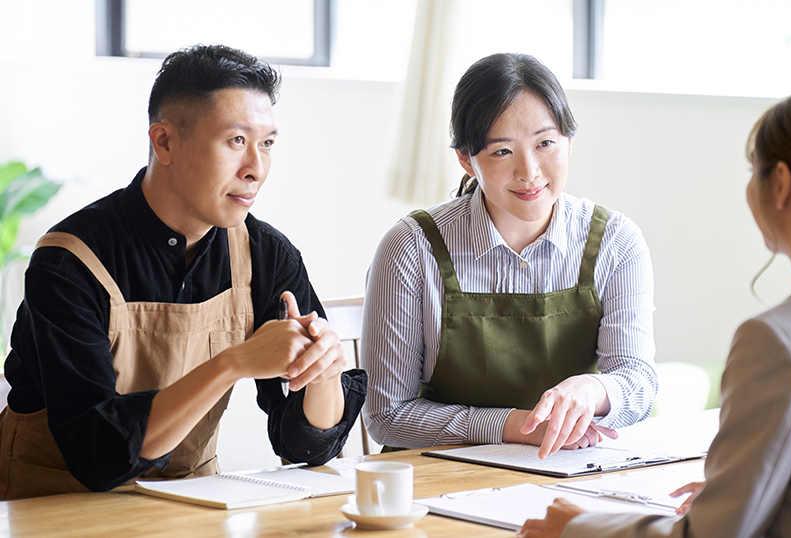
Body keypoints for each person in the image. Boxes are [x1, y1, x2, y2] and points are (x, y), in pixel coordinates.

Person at [519, 83, 791, 537]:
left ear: (782, 183)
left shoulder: (780, 339)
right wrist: (748, 498)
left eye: (755, 169)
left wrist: (582, 529)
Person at [0, 44, 367, 499]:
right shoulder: (69, 261)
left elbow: (303, 446)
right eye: (236, 141)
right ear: (165, 141)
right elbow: (97, 456)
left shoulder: (266, 254)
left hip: (189, 504)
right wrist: (233, 362)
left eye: (267, 144)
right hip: (51, 506)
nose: (256, 169)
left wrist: (325, 372)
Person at [362, 53, 656, 457]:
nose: (530, 171)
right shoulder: (412, 249)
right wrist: (513, 426)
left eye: (546, 143)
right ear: (467, 160)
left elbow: (637, 381)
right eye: (502, 151)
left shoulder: (616, 242)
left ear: (569, 143)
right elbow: (386, 416)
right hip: (437, 480)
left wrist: (596, 389)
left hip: (566, 476)